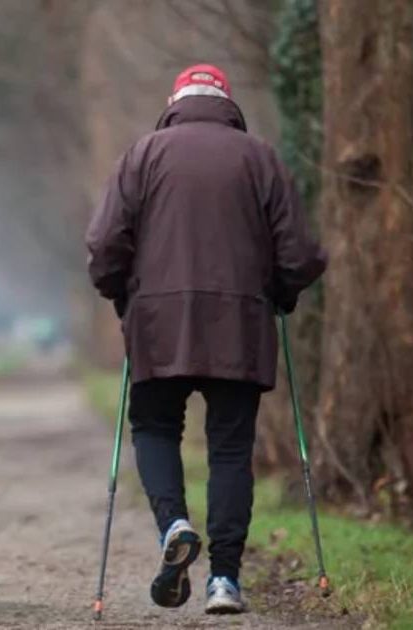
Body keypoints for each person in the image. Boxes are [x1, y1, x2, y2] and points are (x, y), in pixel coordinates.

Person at [85, 65, 327, 615]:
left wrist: (123, 295)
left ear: (174, 101)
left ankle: (174, 523)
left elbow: (104, 245)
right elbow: (300, 253)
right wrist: (281, 294)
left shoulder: (142, 155)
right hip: (238, 324)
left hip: (157, 324)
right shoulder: (259, 157)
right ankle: (224, 581)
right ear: (227, 103)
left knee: (153, 425)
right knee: (230, 449)